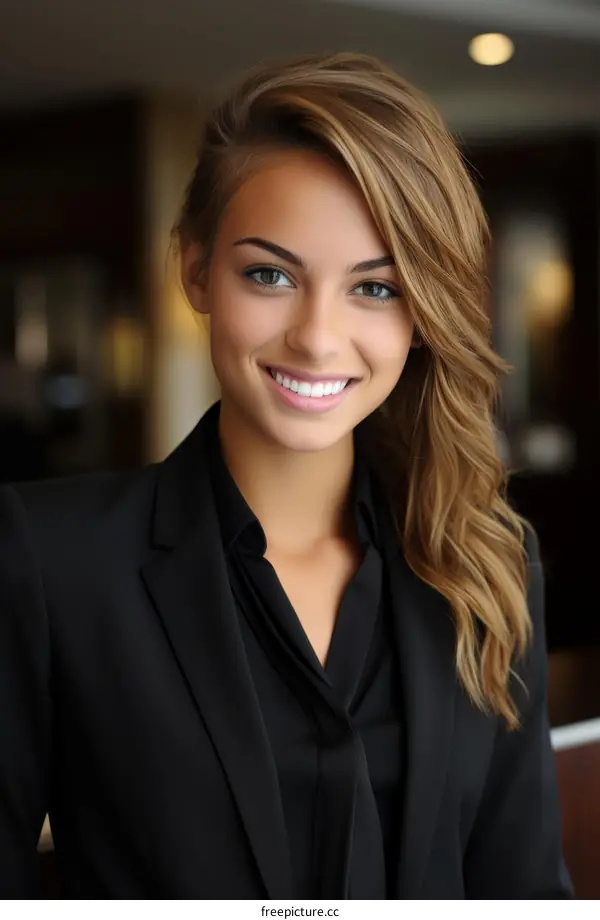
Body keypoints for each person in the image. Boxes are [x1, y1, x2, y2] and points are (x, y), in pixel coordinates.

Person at [0, 52, 573, 899]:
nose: (316, 335)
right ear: (196, 269)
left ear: (424, 314)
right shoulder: (49, 561)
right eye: (269, 274)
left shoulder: (488, 561)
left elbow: (523, 894)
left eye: (375, 289)